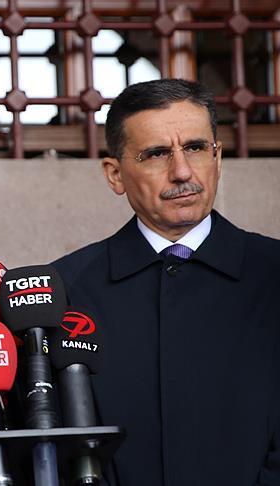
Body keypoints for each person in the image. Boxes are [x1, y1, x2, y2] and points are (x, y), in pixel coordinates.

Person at [52, 79, 280, 485]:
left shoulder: (273, 271)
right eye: (157, 154)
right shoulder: (65, 290)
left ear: (217, 158)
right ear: (115, 175)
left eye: (195, 148)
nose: (182, 172)